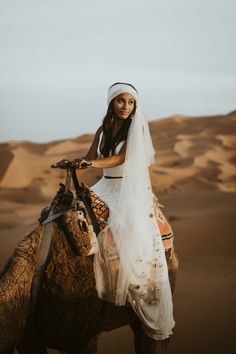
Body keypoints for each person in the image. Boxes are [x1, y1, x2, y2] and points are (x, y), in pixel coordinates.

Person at [72, 82, 176, 341]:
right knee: (72, 217)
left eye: (130, 102)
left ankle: (141, 291)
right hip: (105, 186)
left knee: (130, 233)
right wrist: (75, 164)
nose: (125, 106)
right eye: (120, 101)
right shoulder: (102, 129)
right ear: (111, 102)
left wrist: (92, 162)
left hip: (129, 191)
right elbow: (90, 156)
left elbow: (120, 159)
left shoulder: (136, 128)